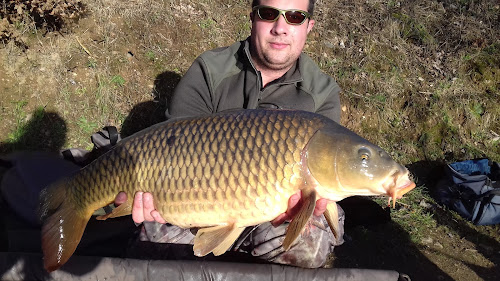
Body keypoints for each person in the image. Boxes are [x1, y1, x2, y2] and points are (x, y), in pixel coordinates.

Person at [115, 0, 344, 268]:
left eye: (295, 17)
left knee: (312, 238)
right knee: (153, 238)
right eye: (269, 14)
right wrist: (150, 193)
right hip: (200, 202)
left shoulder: (322, 94)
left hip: (274, 216)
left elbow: (324, 177)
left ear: (309, 26)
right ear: (253, 18)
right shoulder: (210, 71)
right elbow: (171, 154)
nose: (281, 27)